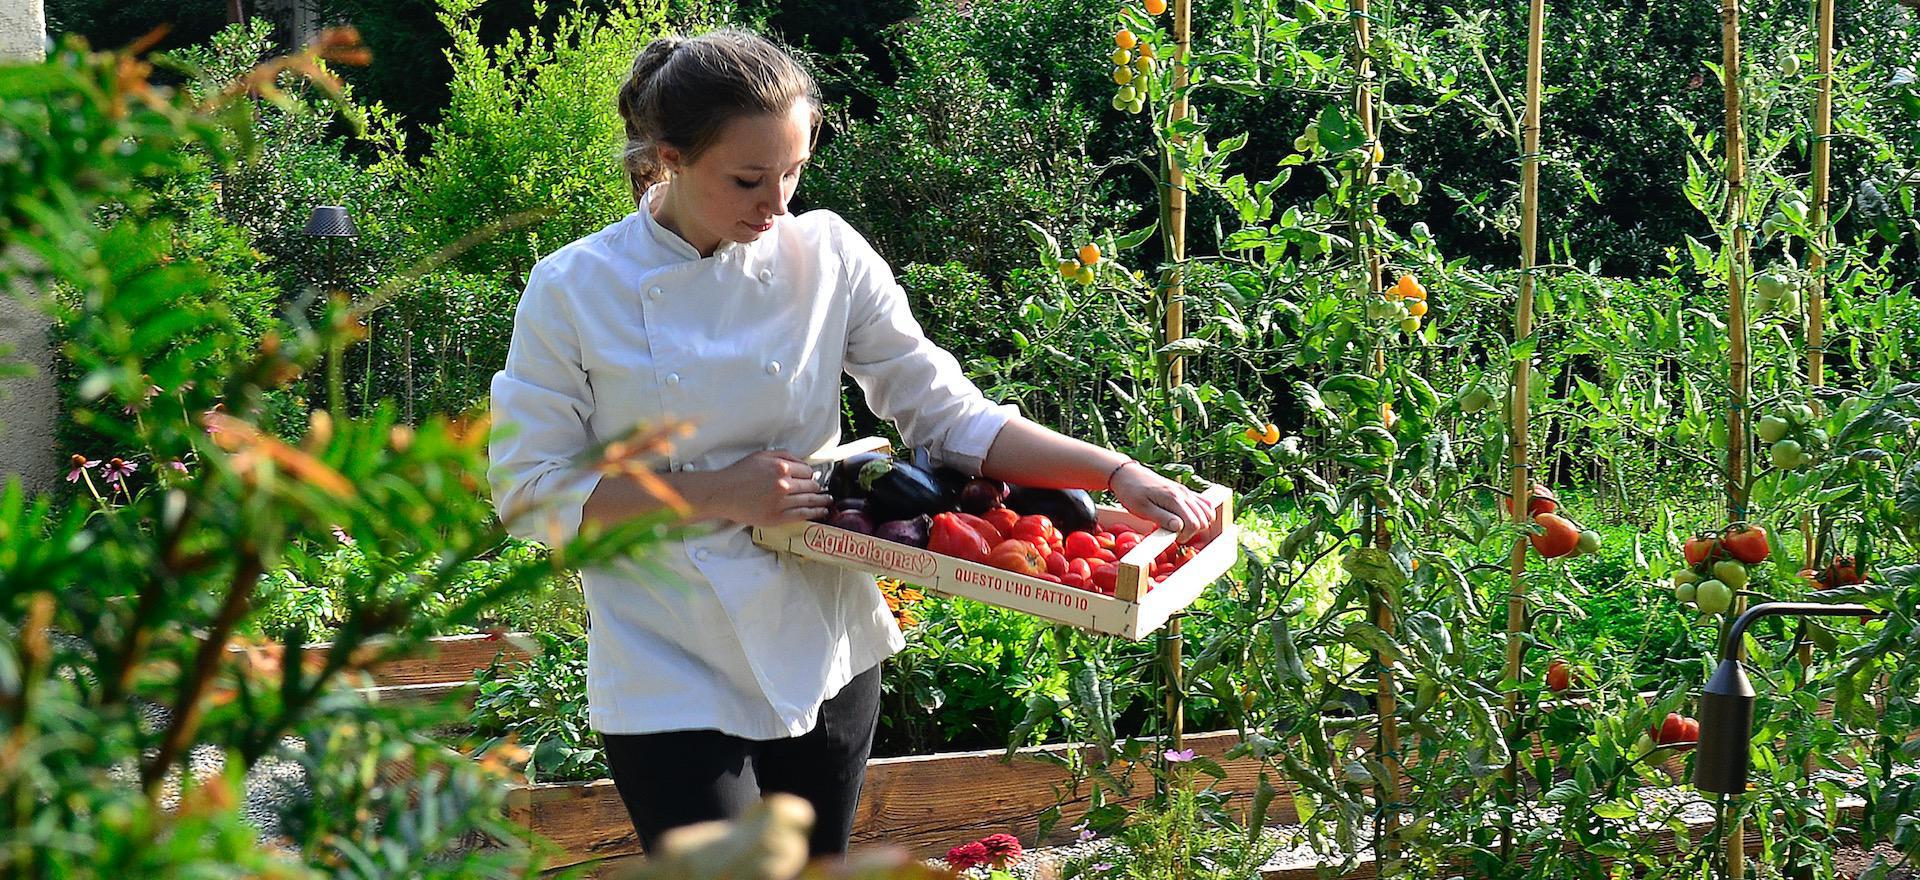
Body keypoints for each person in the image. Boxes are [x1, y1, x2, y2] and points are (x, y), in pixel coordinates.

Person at [487, 28, 1220, 860]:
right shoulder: (575, 288)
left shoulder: (827, 252)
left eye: (794, 172)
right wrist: (722, 492)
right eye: (749, 179)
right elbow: (530, 490)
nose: (777, 205)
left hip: (823, 638)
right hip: (667, 655)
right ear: (669, 158)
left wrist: (1115, 472)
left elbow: (948, 416)